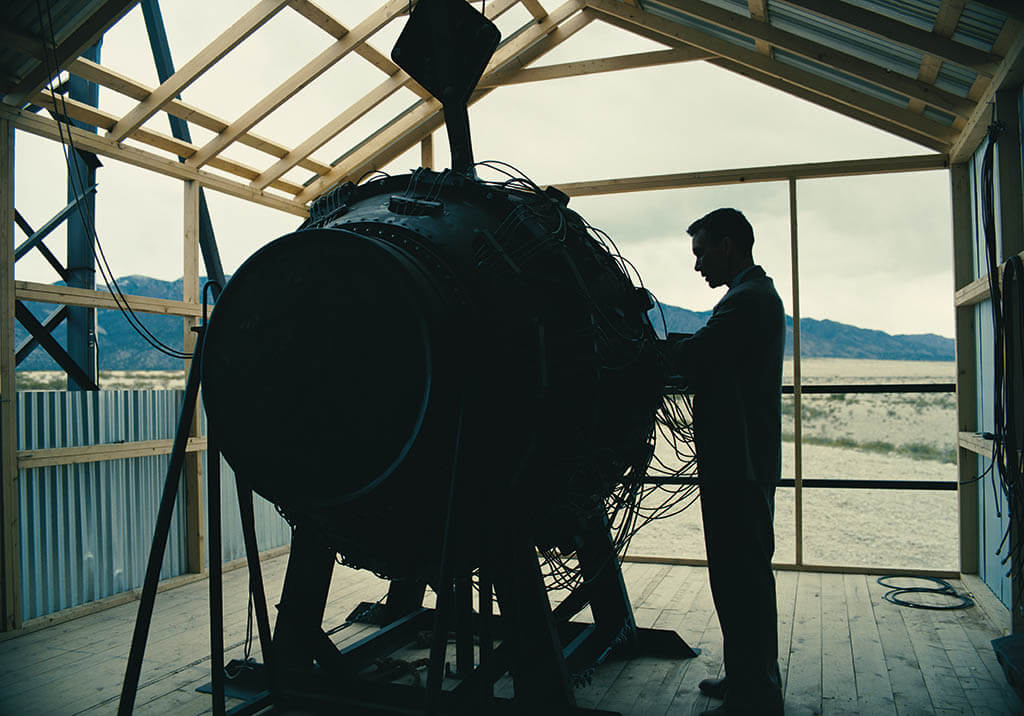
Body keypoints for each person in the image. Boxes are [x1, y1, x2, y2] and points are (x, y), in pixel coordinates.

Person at [669, 208, 785, 716]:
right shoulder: (752, 298)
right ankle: (747, 678)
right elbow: (706, 353)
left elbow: (699, 356)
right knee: (740, 577)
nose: (697, 267)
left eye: (702, 253)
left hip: (737, 464)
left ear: (730, 245)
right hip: (741, 461)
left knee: (742, 580)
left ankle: (754, 692)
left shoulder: (747, 302)